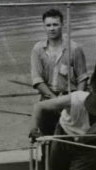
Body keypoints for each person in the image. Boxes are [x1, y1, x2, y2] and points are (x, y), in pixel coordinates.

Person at [30, 8, 89, 136]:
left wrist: (76, 101)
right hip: (48, 99)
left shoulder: (75, 48)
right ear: (44, 27)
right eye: (48, 25)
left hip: (70, 100)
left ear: (62, 25)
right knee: (47, 138)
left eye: (55, 24)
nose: (52, 28)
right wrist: (55, 100)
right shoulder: (38, 49)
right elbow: (37, 79)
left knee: (69, 139)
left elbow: (82, 78)